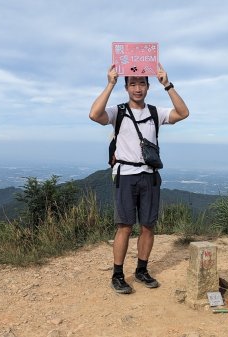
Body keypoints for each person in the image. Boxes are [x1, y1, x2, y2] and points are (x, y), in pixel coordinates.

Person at [89, 63, 189, 294]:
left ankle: (142, 270)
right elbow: (95, 114)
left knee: (148, 225)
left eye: (141, 84)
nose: (137, 88)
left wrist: (168, 84)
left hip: (150, 175)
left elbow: (183, 113)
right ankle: (117, 274)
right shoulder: (118, 111)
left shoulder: (155, 112)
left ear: (147, 86)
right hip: (126, 175)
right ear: (126, 87)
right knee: (124, 226)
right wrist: (110, 83)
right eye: (132, 84)